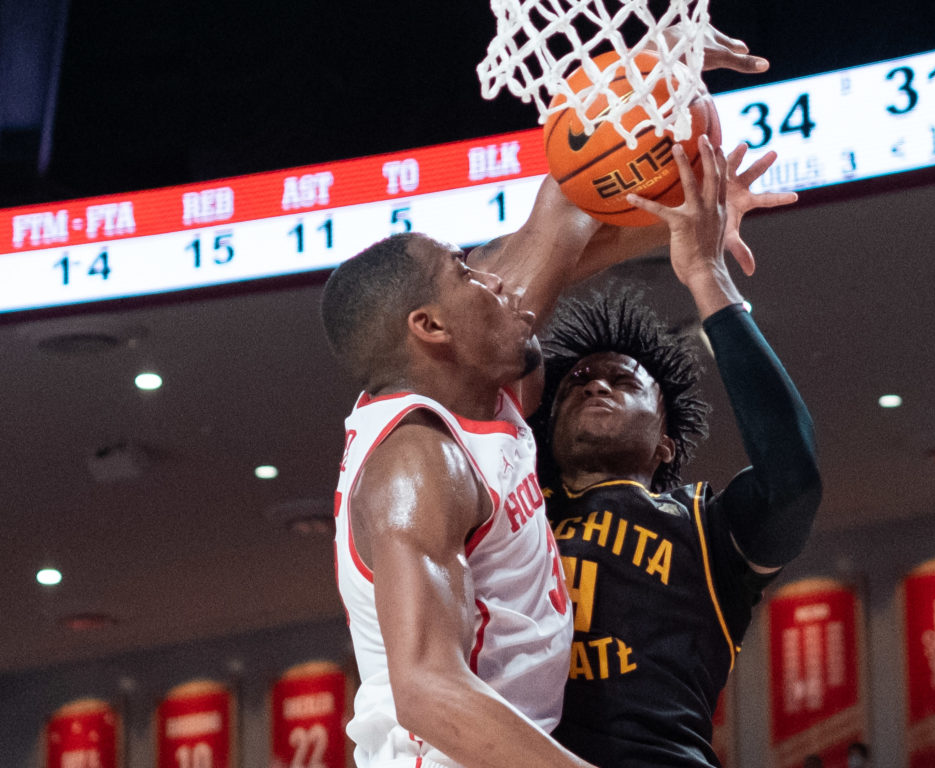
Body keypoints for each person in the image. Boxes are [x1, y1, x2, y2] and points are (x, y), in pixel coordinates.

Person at [321, 31, 787, 768]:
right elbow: (426, 689)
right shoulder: (417, 466)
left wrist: (649, 72)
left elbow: (566, 209)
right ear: (431, 327)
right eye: (468, 273)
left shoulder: (481, 378)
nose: (496, 276)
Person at [532, 137, 822, 767]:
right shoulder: (511, 510)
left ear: (665, 441)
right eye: (577, 385)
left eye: (624, 382)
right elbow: (483, 304)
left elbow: (792, 481)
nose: (596, 385)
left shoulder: (705, 529)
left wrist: (707, 275)